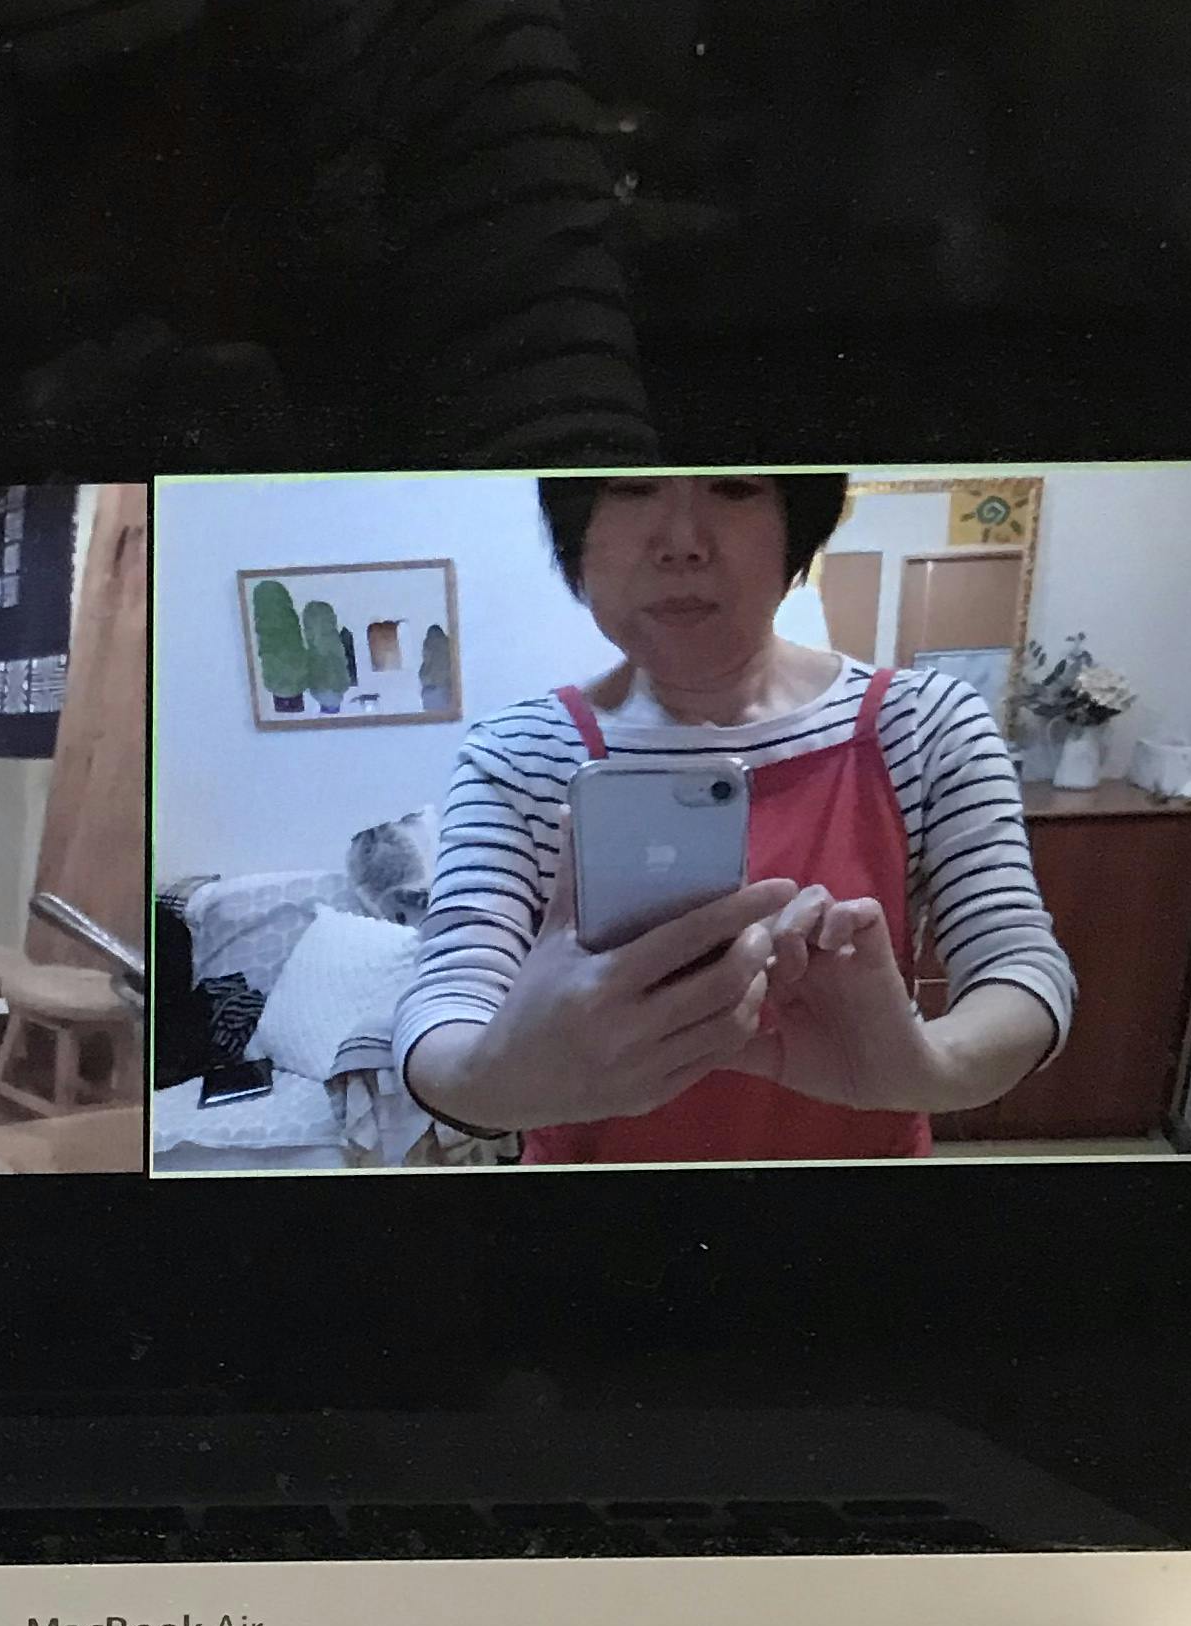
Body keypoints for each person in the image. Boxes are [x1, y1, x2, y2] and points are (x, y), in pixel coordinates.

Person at [397, 472, 1074, 1163]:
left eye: (734, 487)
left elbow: (1018, 962)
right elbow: (445, 1000)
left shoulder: (925, 724)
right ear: (577, 529)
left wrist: (932, 1068)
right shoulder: (517, 753)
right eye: (630, 489)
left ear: (795, 525)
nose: (682, 542)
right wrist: (498, 1080)